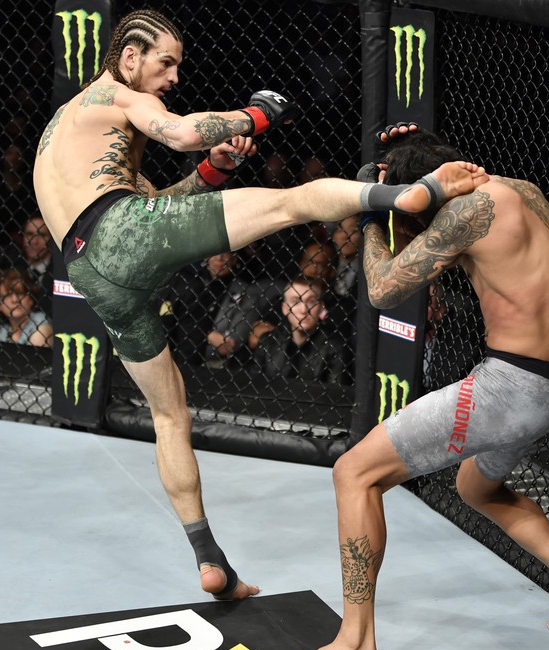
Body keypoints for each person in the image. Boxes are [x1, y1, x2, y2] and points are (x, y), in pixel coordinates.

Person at [31, 9, 487, 601]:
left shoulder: (67, 130)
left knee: (171, 415)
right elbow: (183, 133)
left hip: (94, 270)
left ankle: (209, 559)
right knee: (291, 204)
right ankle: (409, 193)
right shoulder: (118, 94)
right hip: (119, 235)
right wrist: (257, 112)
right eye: (165, 63)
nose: (172, 77)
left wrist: (211, 172)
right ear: (128, 58)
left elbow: (149, 207)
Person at [279, 125, 549, 650]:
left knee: (354, 473)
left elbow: (384, 288)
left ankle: (353, 640)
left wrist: (372, 210)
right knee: (475, 486)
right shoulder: (523, 190)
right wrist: (414, 157)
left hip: (510, 387)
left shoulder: (463, 214)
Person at [251, 278, 346, 384]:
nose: (304, 310)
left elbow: (336, 393)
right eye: (296, 302)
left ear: (321, 307)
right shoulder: (268, 341)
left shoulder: (334, 347)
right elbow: (255, 386)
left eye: (311, 301)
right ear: (285, 308)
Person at [0, 267, 53, 347]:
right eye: (7, 295)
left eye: (20, 293)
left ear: (31, 299)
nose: (15, 300)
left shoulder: (41, 325)